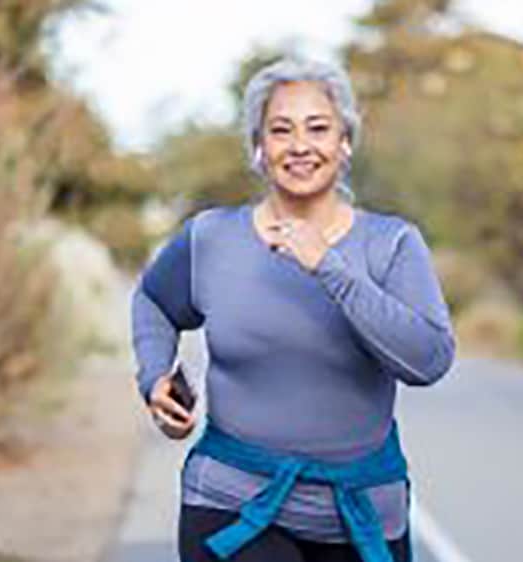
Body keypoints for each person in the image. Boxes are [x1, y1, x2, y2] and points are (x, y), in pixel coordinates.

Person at [130, 57, 456, 562]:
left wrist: (329, 267)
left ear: (345, 142)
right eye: (281, 130)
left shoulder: (391, 244)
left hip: (361, 513)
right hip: (233, 503)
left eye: (318, 128)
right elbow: (153, 300)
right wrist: (154, 378)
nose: (300, 145)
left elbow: (428, 360)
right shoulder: (212, 238)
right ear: (259, 148)